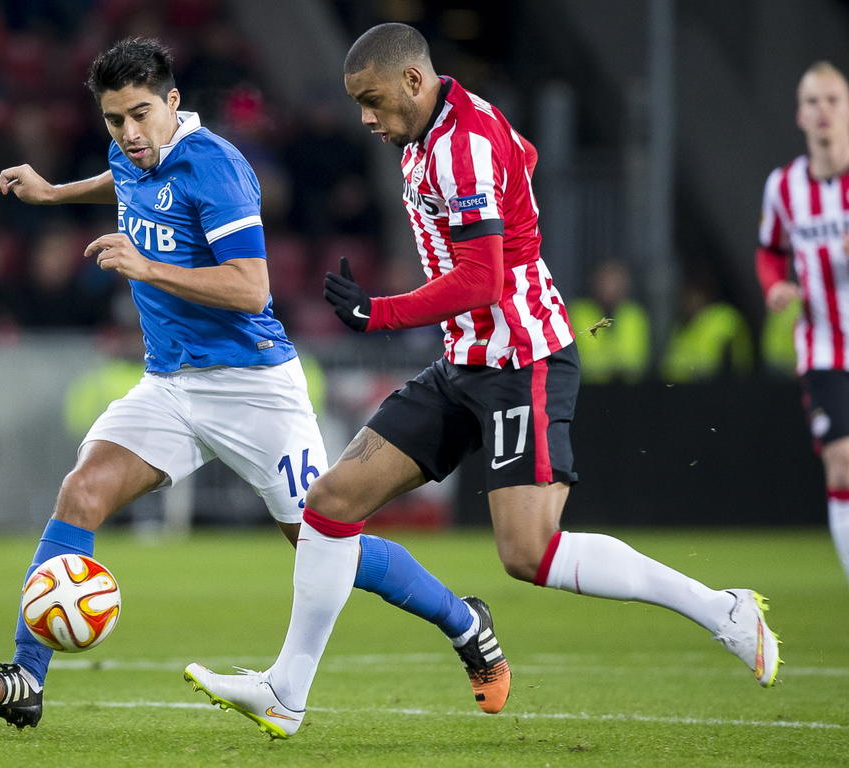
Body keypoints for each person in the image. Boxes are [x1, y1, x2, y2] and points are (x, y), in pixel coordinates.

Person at [185, 23, 783, 740]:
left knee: (528, 553)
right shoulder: (442, 133)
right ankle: (286, 690)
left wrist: (381, 313)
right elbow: (522, 158)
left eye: (372, 100)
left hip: (522, 361)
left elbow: (483, 276)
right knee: (331, 503)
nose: (366, 119)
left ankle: (723, 610)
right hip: (464, 362)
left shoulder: (462, 144)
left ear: (413, 80)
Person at [0, 37, 506, 731]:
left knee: (323, 543)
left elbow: (252, 289)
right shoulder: (132, 154)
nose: (128, 134)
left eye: (141, 115)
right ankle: (25, 678)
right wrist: (55, 191)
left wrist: (147, 269)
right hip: (172, 385)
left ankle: (465, 622)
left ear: (174, 103)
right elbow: (123, 180)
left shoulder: (216, 169)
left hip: (253, 388)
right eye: (114, 120)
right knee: (82, 490)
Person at [757, 60, 849, 586]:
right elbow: (769, 251)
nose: (822, 111)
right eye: (812, 101)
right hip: (823, 346)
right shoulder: (784, 186)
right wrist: (775, 286)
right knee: (840, 463)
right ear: (799, 113)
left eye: (832, 100)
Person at [568, 259, 650, 384]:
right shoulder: (580, 312)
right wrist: (616, 363)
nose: (609, 287)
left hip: (629, 389)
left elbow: (636, 360)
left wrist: (611, 363)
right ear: (594, 282)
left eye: (614, 282)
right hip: (588, 388)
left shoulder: (634, 314)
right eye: (605, 281)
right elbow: (586, 359)